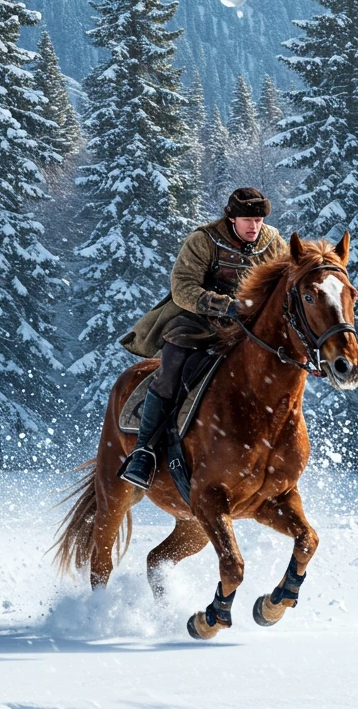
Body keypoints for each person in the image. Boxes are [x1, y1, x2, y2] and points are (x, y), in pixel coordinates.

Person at [118, 187, 287, 490]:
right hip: (197, 323)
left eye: (259, 220)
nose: (254, 227)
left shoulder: (273, 242)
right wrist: (225, 306)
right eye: (247, 220)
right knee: (171, 371)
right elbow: (183, 288)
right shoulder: (203, 240)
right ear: (232, 217)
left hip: (247, 328)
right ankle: (143, 452)